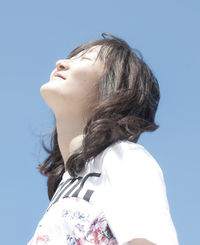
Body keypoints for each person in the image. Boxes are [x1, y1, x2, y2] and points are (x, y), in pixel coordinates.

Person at [27, 33, 179, 245]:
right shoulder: (64, 188)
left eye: (85, 59)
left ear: (114, 88)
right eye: (69, 57)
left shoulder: (123, 157)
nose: (60, 63)